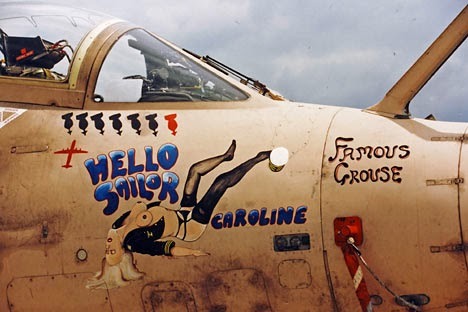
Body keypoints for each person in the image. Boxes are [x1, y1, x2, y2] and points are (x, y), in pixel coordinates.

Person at [87, 140, 270, 289]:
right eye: (113, 251)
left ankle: (226, 157)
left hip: (183, 212)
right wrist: (193, 252)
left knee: (195, 171)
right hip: (190, 226)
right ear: (124, 253)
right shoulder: (135, 242)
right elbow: (168, 250)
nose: (108, 246)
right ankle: (258, 159)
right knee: (219, 184)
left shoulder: (119, 224)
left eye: (107, 250)